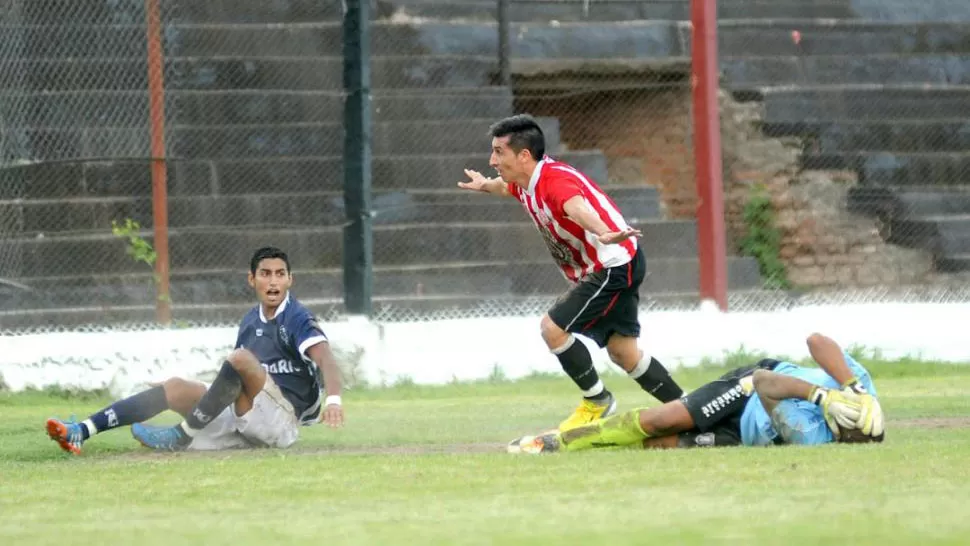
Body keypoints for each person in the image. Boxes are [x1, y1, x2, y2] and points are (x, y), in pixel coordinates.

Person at [458, 114, 684, 431]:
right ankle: (691, 409)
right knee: (624, 353)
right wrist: (485, 186)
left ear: (523, 155)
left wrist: (603, 231)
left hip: (612, 266)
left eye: (498, 152)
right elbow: (506, 187)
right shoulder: (524, 180)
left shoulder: (554, 182)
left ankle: (597, 401)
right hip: (617, 263)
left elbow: (576, 206)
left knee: (552, 328)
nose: (492, 159)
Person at [45, 246, 344, 454]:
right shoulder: (250, 321)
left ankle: (181, 435)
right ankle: (82, 431)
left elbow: (326, 359)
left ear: (290, 279)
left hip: (280, 424)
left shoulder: (297, 317)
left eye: (280, 274)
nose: (274, 281)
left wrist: (333, 400)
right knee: (174, 387)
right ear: (252, 280)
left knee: (239, 359)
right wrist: (188, 391)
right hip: (249, 419)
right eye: (265, 273)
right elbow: (233, 382)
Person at [508, 333, 885, 454]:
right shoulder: (857, 386)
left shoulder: (814, 440)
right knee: (663, 418)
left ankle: (593, 445)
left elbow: (774, 392)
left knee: (662, 444)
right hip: (746, 388)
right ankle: (558, 441)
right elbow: (813, 342)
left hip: (743, 433)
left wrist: (822, 400)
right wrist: (847, 389)